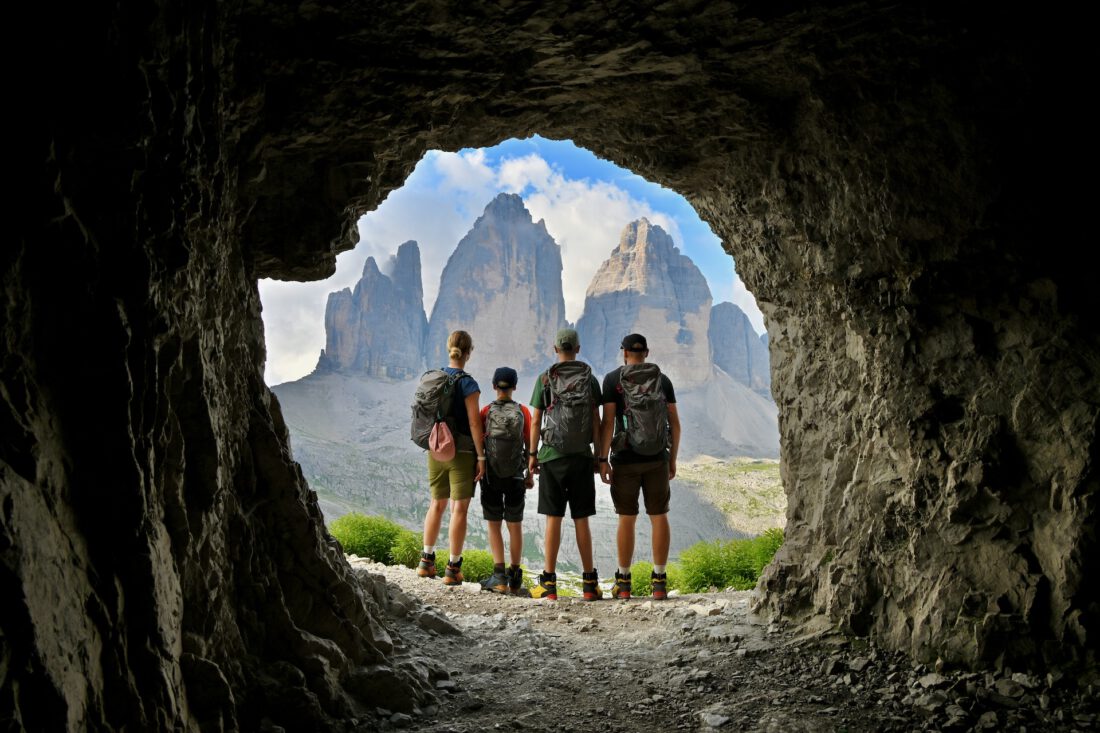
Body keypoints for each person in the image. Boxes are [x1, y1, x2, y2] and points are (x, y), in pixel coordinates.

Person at [598, 333, 681, 600]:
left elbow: (607, 422)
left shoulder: (612, 380)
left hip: (625, 459)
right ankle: (659, 583)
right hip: (657, 457)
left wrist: (602, 459)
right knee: (659, 516)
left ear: (624, 352)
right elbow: (675, 424)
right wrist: (672, 458)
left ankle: (623, 583)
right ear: (646, 352)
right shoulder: (662, 380)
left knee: (627, 518)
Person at [527, 328, 604, 601]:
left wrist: (532, 455)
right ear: (578, 348)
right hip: (582, 457)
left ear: (554, 348)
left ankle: (549, 584)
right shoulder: (589, 379)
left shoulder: (545, 379)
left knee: (554, 519)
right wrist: (598, 456)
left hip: (552, 457)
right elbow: (597, 420)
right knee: (581, 519)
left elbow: (536, 421)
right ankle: (590, 585)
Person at [417, 330, 485, 586]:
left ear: (449, 349)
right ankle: (453, 567)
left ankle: (426, 561)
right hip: (462, 452)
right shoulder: (468, 384)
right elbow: (474, 424)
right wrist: (481, 457)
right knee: (460, 508)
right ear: (469, 352)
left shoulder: (435, 378)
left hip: (436, 449)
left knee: (436, 503)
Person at [477, 367, 535, 595]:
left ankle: (498, 576)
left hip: (491, 475)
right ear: (514, 387)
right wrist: (529, 474)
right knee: (515, 525)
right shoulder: (523, 412)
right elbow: (530, 445)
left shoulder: (485, 412)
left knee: (494, 524)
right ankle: (515, 576)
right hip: (515, 475)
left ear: (494, 386)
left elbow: (480, 443)